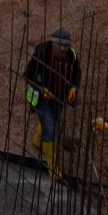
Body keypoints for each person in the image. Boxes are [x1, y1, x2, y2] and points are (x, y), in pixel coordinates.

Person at [22, 27, 79, 178]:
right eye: (59, 45)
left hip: (60, 97)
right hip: (42, 99)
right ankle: (52, 167)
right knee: (50, 129)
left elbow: (76, 74)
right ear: (53, 43)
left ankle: (37, 140)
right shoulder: (41, 54)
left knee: (53, 122)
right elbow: (27, 75)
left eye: (66, 45)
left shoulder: (72, 55)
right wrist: (42, 89)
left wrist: (73, 87)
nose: (63, 48)